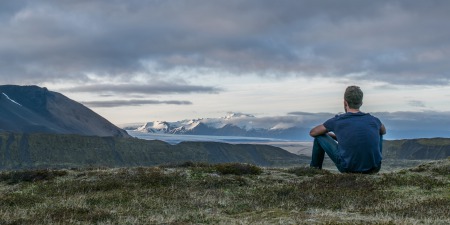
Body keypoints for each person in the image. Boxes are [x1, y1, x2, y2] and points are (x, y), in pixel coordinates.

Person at [309, 86, 386, 173]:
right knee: (379, 132)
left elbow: (313, 132)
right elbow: (383, 131)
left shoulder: (337, 121)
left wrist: (327, 134)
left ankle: (314, 170)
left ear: (345, 102)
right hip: (374, 168)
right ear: (361, 103)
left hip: (348, 168)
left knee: (319, 137)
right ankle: (372, 162)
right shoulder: (374, 120)